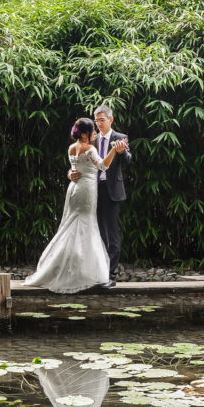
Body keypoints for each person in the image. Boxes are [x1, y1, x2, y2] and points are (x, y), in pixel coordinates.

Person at [24, 118, 128, 293]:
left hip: (74, 190)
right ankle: (80, 271)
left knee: (71, 225)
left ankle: (62, 265)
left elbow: (75, 166)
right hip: (86, 190)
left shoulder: (71, 147)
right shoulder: (90, 148)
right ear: (87, 133)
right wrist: (113, 150)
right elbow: (103, 165)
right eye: (93, 128)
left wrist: (71, 173)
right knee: (84, 226)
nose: (95, 131)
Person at [69, 105, 132, 288]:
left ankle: (111, 276)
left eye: (102, 120)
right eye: (96, 120)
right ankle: (93, 273)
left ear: (111, 119)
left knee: (111, 234)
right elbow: (77, 163)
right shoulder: (91, 138)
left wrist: (120, 151)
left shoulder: (120, 138)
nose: (98, 123)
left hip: (111, 190)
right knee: (91, 232)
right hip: (89, 189)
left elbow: (128, 160)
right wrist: (70, 174)